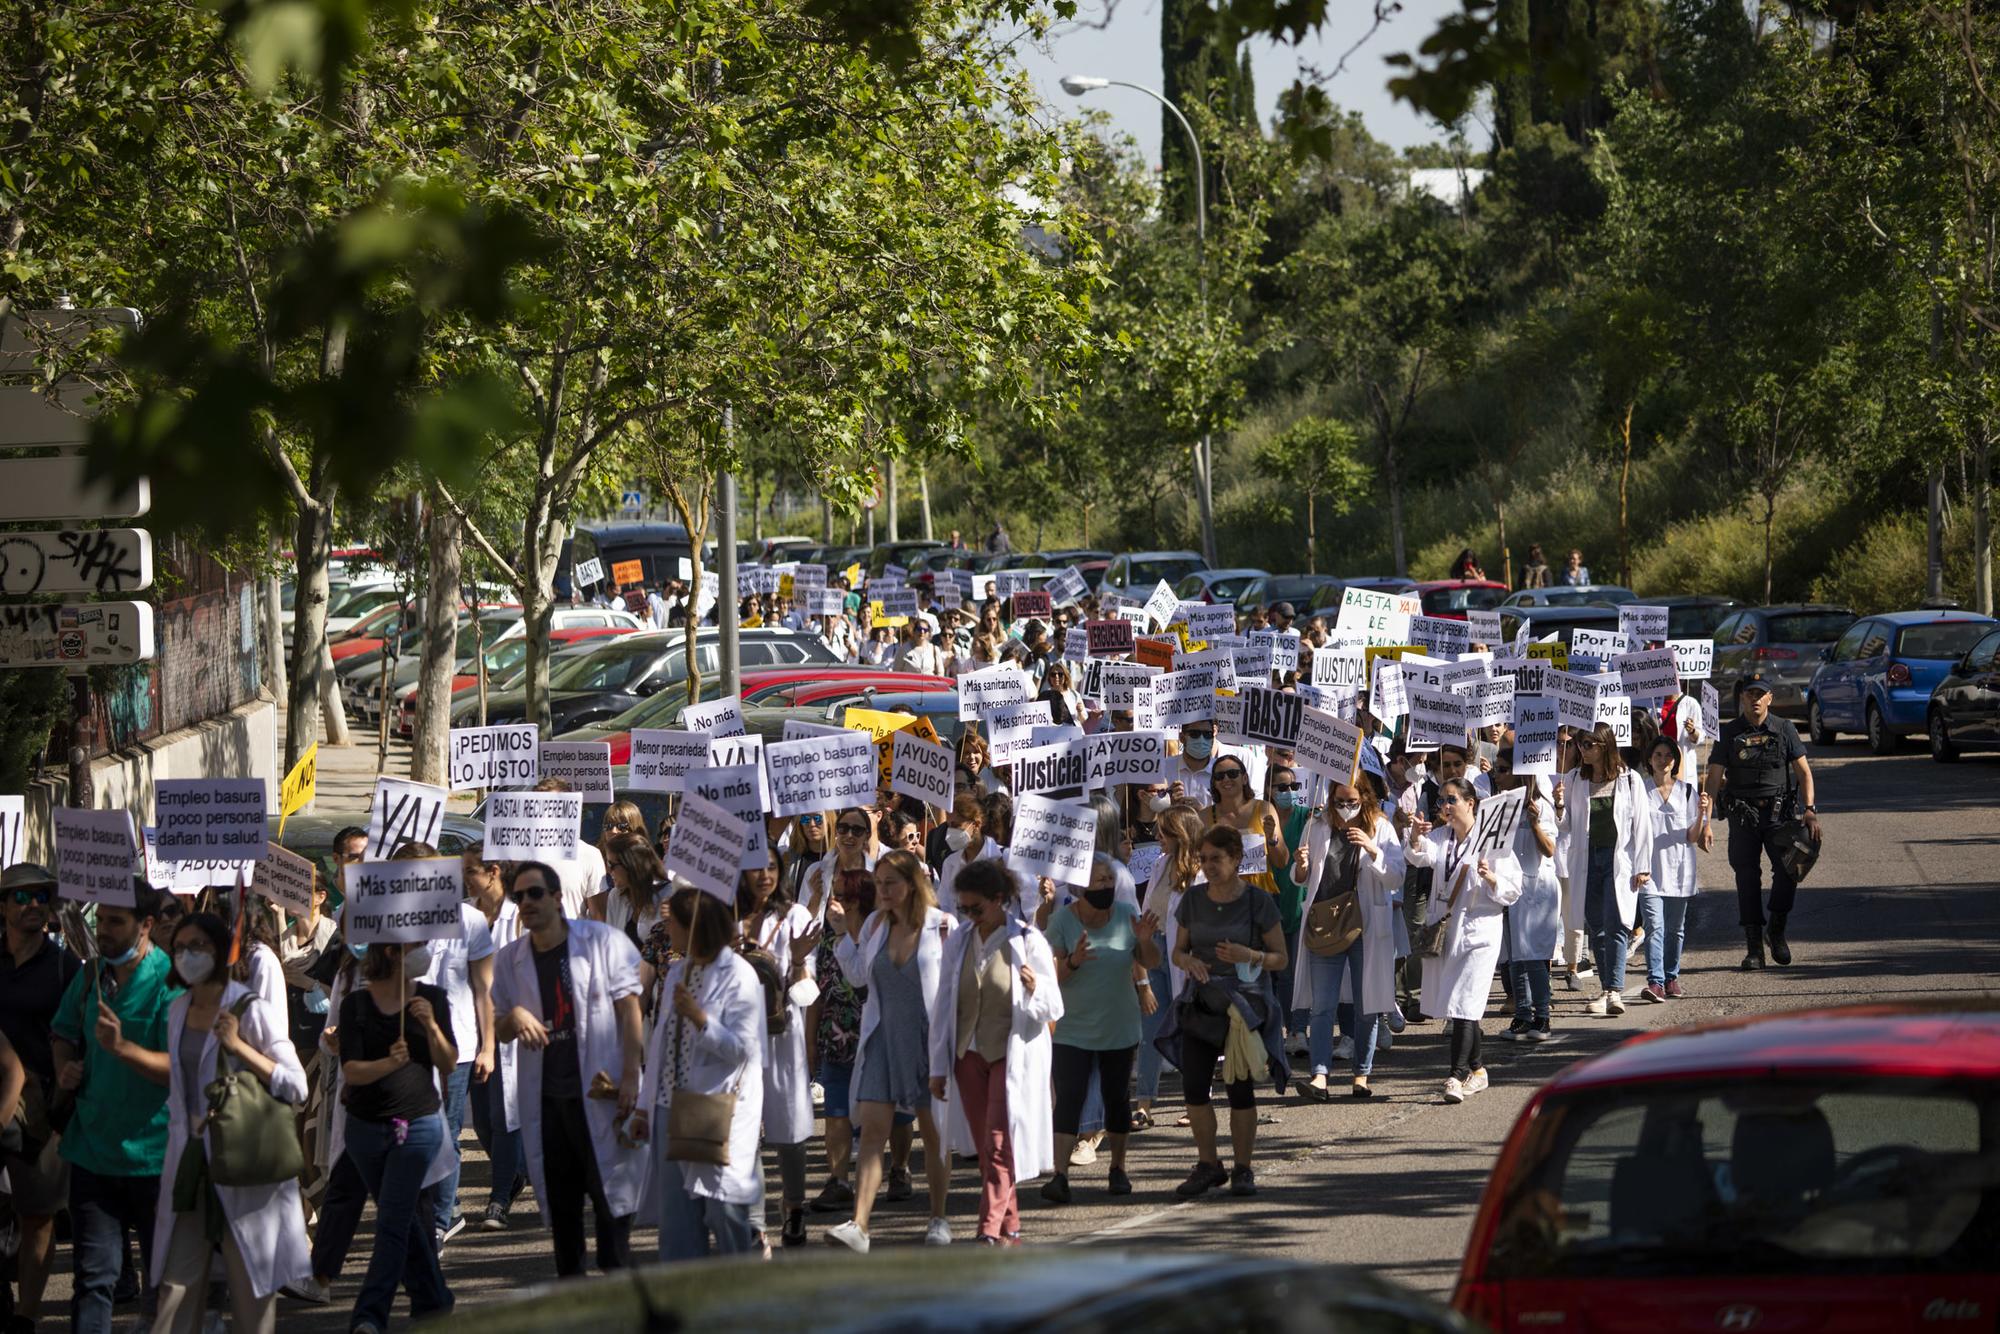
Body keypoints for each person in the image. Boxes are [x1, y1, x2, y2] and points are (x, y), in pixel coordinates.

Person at [150, 912, 311, 1334]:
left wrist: (238, 1045)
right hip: (191, 1167)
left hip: (244, 1167)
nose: (187, 955)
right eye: (180, 948)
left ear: (221, 951)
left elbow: (297, 1085)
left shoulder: (248, 1007)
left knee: (251, 1296)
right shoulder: (178, 1009)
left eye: (198, 947)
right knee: (175, 1289)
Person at [490, 861, 648, 1278]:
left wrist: (632, 1075)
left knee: (611, 1211)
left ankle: (623, 1305)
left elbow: (629, 1007)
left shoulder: (600, 941)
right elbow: (498, 1026)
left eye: (535, 893)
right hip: (548, 1104)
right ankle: (575, 1301)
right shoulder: (509, 960)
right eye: (519, 896)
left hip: (601, 1094)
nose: (526, 903)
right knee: (563, 1219)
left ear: (558, 898)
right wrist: (514, 1017)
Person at [53, 879, 178, 1334]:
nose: (102, 930)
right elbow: (63, 1033)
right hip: (92, 1153)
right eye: (99, 919)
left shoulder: (172, 982)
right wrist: (65, 1066)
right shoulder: (90, 976)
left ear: (145, 925)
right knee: (93, 1279)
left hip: (156, 1159)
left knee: (162, 1286)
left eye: (114, 922)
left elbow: (179, 1069)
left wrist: (123, 1048)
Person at [927, 859, 1063, 1243]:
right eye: (964, 908)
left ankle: (986, 1230)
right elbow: (944, 1007)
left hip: (1010, 1052)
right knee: (987, 1148)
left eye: (977, 908)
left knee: (1000, 1141)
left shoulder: (1028, 940)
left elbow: (1054, 1006)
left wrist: (1035, 987)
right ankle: (1011, 1225)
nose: (969, 915)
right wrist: (939, 1066)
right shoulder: (959, 941)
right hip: (967, 1054)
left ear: (999, 900)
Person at [826, 850, 955, 1252]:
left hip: (926, 1041)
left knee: (934, 1135)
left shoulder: (943, 927)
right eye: (878, 884)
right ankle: (860, 1226)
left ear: (912, 884)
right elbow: (860, 976)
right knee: (872, 1134)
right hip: (882, 1037)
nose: (881, 891)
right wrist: (844, 933)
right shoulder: (876, 926)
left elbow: (957, 986)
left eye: (890, 884)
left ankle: (938, 1218)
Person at [634, 887, 764, 1260]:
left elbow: (743, 1047)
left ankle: (740, 1299)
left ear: (695, 927)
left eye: (672, 921)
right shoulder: (678, 970)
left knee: (723, 1211)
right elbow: (660, 1041)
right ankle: (686, 1306)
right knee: (677, 1224)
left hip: (714, 1108)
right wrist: (645, 1106)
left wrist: (701, 1019)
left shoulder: (738, 975)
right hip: (669, 1106)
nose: (665, 927)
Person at [337, 933, 456, 1332]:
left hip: (418, 1126)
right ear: (391, 952)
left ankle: (369, 1316)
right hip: (366, 1131)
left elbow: (449, 1062)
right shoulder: (356, 1004)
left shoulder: (432, 999)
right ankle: (434, 1300)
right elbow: (352, 1070)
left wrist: (430, 1026)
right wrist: (389, 1064)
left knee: (390, 1220)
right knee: (401, 1219)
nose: (424, 950)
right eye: (414, 945)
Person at [1164, 826, 1289, 1200]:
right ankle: (1208, 1165)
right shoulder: (1193, 899)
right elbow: (1178, 951)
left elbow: (1280, 958)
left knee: (1239, 1090)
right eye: (1203, 859)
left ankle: (1243, 1168)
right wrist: (1189, 963)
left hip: (1243, 1008)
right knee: (1194, 1087)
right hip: (1201, 1002)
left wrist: (1247, 955)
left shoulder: (1258, 902)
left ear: (1236, 859)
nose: (1208, 866)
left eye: (1216, 859)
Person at [1038, 855, 1157, 1205]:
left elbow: (1148, 961)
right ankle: (1060, 1175)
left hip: (1119, 1026)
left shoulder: (1125, 915)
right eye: (1097, 879)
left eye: (1108, 879)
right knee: (1069, 1099)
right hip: (1073, 1027)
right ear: (1078, 886)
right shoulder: (1062, 921)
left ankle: (1118, 1169)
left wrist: (1146, 941)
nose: (1105, 885)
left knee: (1116, 1099)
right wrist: (1073, 961)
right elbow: (1051, 975)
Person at [1405, 779, 1524, 1103]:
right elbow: (1419, 856)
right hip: (1449, 931)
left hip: (1481, 932)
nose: (1445, 806)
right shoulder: (1441, 838)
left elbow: (1513, 890)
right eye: (1442, 800)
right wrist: (1416, 835)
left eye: (1452, 799)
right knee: (1460, 1007)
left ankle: (1455, 1076)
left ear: (1471, 803)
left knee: (1464, 1002)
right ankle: (1479, 1069)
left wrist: (1491, 877)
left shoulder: (1492, 841)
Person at [0, 862, 80, 1329]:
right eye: (22, 897)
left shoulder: (64, 968)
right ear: (3, 906)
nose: (33, 905)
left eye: (42, 897)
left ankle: (26, 1317)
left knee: (37, 1216)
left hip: (42, 1114)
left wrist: (62, 1102)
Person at [1290, 780, 1404, 1101]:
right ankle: (1320, 1077)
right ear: (1330, 798)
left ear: (1365, 798)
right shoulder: (1316, 825)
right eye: (1340, 800)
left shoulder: (1380, 827)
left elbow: (1396, 876)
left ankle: (1361, 1075)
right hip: (1326, 924)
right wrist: (1300, 867)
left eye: (1352, 801)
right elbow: (1300, 877)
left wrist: (1372, 848)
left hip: (1366, 925)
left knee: (1366, 1003)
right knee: (1322, 1006)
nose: (1346, 806)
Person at [1705, 676, 1817, 970]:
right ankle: (1754, 948)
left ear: (1770, 698)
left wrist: (1810, 810)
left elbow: (1804, 773)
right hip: (1743, 815)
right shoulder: (1728, 733)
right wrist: (1704, 820)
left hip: (1779, 815)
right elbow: (1714, 777)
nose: (1754, 699)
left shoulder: (1785, 728)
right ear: (1741, 698)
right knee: (1746, 878)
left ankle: (1776, 931)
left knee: (1789, 870)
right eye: (1749, 694)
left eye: (1760, 694)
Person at [738, 861, 822, 1249]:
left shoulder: (796, 917)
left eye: (771, 866)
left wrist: (800, 960)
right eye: (755, 867)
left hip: (782, 1036)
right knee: (744, 1129)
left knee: (788, 1130)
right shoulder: (726, 917)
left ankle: (794, 1208)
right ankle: (755, 1224)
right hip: (738, 1038)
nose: (764, 875)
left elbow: (808, 993)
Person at [419, 852, 498, 1249]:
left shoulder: (470, 920)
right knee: (414, 1131)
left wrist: (488, 1046)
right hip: (408, 1046)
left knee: (446, 1133)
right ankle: (430, 1209)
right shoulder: (395, 916)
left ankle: (440, 1218)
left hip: (459, 1046)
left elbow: (484, 989)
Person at [1559, 724, 1651, 1017]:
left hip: (1618, 861)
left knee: (1617, 925)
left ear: (1603, 746)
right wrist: (1559, 805)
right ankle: (1605, 989)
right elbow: (1566, 826)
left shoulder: (1629, 780)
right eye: (1580, 745)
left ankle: (1614, 990)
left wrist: (1643, 865)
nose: (1581, 750)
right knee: (1596, 927)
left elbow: (1642, 825)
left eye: (1587, 745)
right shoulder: (1574, 778)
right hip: (1586, 861)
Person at [461, 847, 529, 1231]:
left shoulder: (517, 916)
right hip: (469, 1028)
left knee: (505, 1117)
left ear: (493, 872)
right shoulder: (466, 915)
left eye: (471, 871)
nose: (466, 879)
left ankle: (499, 1198)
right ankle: (517, 1173)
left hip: (506, 1031)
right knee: (483, 1122)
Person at [1135, 803, 1201, 1126]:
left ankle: (1195, 1102)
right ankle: (1144, 1103)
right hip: (1155, 949)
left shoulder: (1200, 872)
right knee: (1150, 1030)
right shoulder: (1160, 864)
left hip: (1185, 956)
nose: (1158, 836)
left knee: (1189, 1029)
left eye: (1165, 831)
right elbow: (1147, 907)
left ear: (1181, 834)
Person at [1490, 754, 1561, 1042]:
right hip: (1509, 888)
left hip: (1536, 890)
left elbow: (1550, 849)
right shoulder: (1501, 807)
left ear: (1520, 773)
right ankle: (1521, 1016)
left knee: (1534, 956)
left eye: (1504, 770)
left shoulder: (1540, 806)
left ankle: (1542, 1017)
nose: (1497, 774)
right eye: (1496, 769)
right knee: (1515, 958)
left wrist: (1533, 824)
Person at [1639, 736, 1705, 1002]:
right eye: (1658, 754)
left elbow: (1692, 837)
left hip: (1679, 870)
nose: (1663, 760)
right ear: (1650, 760)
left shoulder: (1688, 792)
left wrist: (1702, 814)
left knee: (1675, 929)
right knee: (1654, 926)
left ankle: (1671, 977)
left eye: (1668, 755)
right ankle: (1655, 982)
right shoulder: (1640, 790)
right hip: (1649, 871)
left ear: (1675, 760)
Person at [1201, 756, 1287, 895]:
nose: (1226, 779)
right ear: (1214, 783)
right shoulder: (1203, 817)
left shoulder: (1264, 809)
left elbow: (1282, 861)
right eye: (1219, 776)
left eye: (1233, 773)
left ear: (1245, 778)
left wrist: (1272, 839)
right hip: (1219, 901)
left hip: (1259, 900)